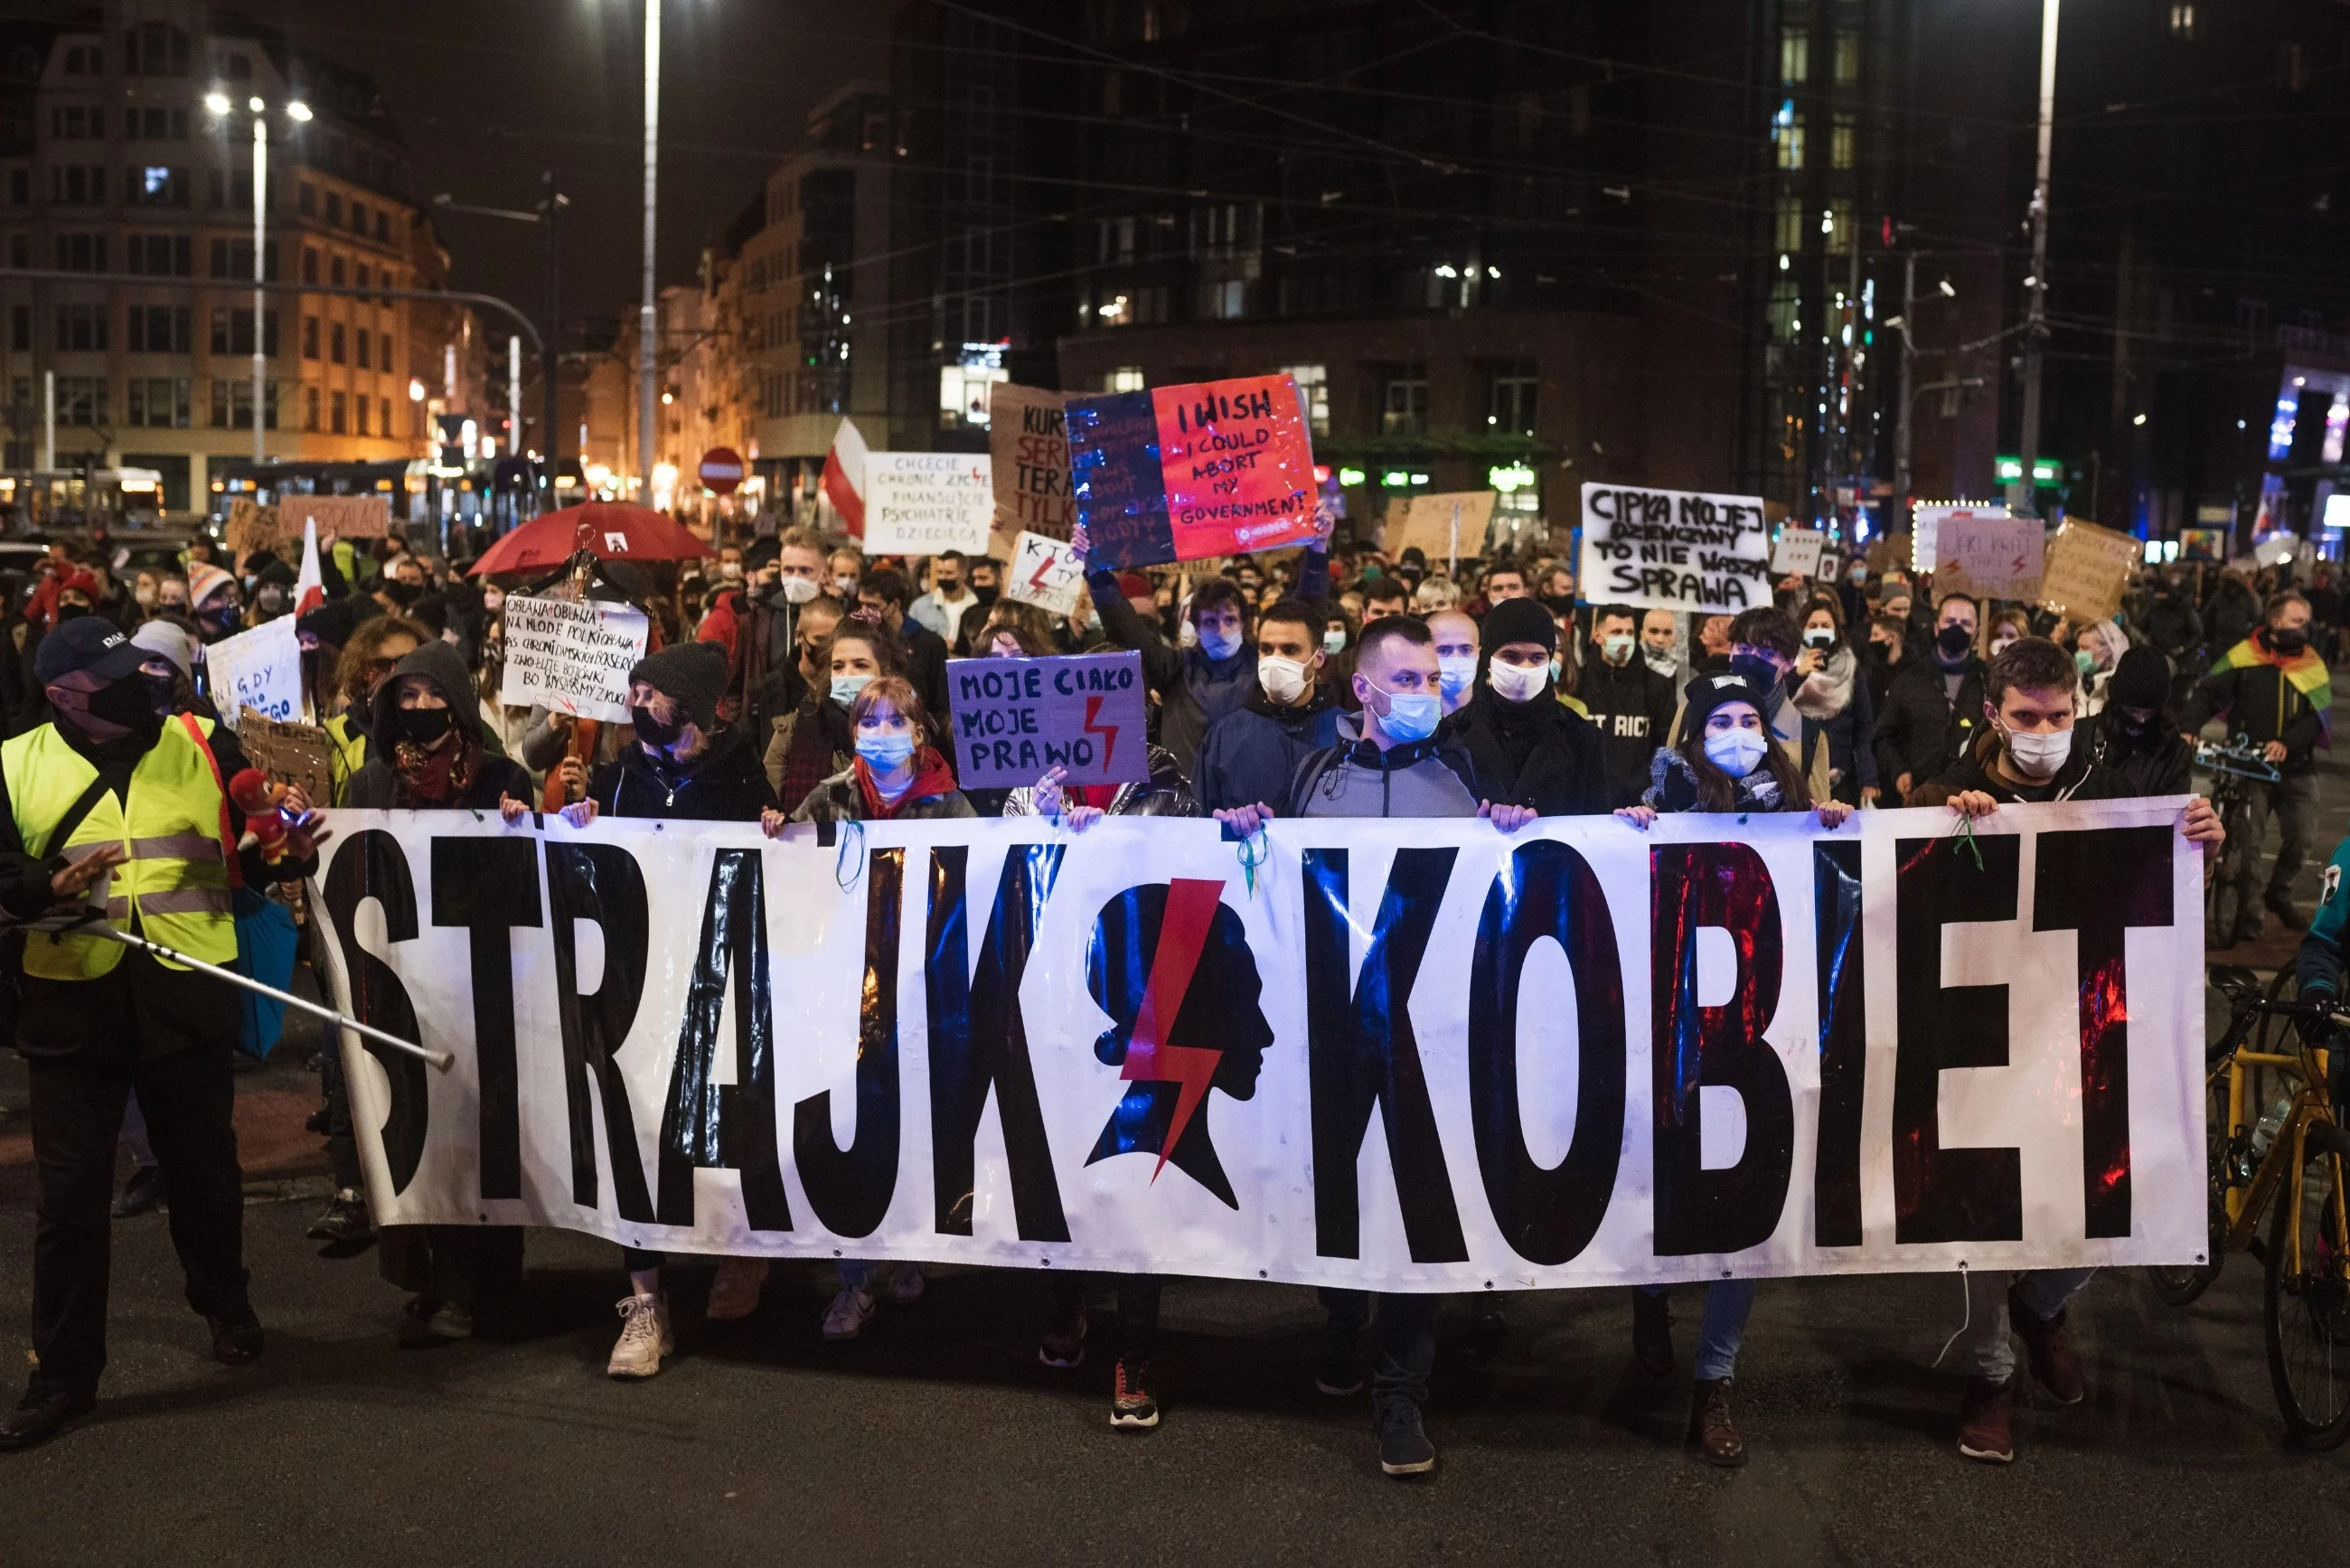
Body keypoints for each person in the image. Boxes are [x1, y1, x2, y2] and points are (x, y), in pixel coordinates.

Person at [1210, 615, 1536, 1479]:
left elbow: (1509, 878)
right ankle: (1339, 1319)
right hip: (1333, 1036)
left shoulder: (1463, 771)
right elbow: (1266, 884)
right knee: (1337, 1188)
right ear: (1363, 688)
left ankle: (1402, 1391)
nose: (1430, 691)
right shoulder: (1314, 773)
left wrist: (1511, 825)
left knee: (1416, 1201)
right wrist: (1244, 826)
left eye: (1433, 676)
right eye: (1412, 678)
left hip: (1429, 1041)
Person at [0, 618, 324, 1451]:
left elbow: (249, 854)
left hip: (185, 992)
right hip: (73, 1008)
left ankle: (225, 1300)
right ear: (64, 695)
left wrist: (284, 851)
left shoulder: (201, 741)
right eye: (111, 675)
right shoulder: (14, 762)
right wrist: (43, 885)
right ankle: (64, 1373)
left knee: (204, 1170)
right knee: (69, 1201)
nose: (137, 681)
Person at [1911, 638, 2220, 1464]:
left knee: (2114, 1189)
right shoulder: (1949, 793)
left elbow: (2160, 890)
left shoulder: (2116, 792)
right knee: (1984, 1210)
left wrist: (2201, 848)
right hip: (1979, 1036)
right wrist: (1943, 827)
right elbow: (1897, 895)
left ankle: (2045, 1305)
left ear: (2078, 711)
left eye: (2058, 715)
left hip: (2082, 1031)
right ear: (1993, 716)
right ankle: (1991, 1374)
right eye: (2026, 717)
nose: (2044, 730)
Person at [1614, 670, 1855, 1467]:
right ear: (1694, 732)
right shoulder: (1666, 795)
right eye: (1723, 718)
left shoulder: (1791, 799)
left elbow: (1836, 896)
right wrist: (1635, 829)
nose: (1741, 729)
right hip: (1678, 1029)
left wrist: (1834, 829)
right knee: (1668, 1178)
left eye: (1752, 716)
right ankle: (1650, 1299)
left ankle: (1714, 1379)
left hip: (1760, 1034)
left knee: (1745, 1208)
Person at [550, 642, 781, 1376]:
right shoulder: (620, 779)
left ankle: (737, 1251)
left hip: (718, 976)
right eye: (635, 691)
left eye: (651, 693)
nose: (637, 703)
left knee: (724, 1119)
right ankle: (647, 1302)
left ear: (694, 704)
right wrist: (579, 813)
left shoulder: (742, 775)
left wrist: (778, 834)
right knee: (632, 1132)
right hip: (634, 980)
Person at [762, 674, 970, 1339]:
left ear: (919, 733)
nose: (879, 735)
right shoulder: (830, 798)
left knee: (911, 1124)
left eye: (893, 721)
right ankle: (853, 1278)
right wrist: (777, 835)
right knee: (847, 1129)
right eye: (867, 722)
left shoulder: (952, 807)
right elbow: (790, 876)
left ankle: (908, 1248)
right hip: (844, 993)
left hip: (920, 994)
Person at [346, 643, 537, 1346]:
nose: (420, 709)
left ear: (459, 702)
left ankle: (485, 1283)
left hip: (480, 982)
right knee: (415, 1133)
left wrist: (524, 823)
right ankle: (432, 1276)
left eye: (434, 695)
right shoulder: (371, 784)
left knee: (476, 1135)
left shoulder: (500, 778)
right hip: (400, 979)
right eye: (408, 695)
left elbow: (527, 879)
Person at [1086, 548, 1329, 776]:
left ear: (1244, 623)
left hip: (1250, 801)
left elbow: (1304, 618)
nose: (1221, 630)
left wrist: (1316, 554)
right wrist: (1098, 577)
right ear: (1197, 627)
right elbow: (1128, 630)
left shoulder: (1264, 671)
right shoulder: (1174, 669)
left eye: (1230, 620)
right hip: (1186, 805)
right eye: (1211, 622)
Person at [2186, 589, 2328, 942]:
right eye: (2297, 621)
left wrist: (2288, 743)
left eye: (2306, 623)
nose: (2303, 629)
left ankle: (2279, 895)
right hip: (2250, 765)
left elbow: (2317, 718)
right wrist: (2188, 729)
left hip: (2297, 767)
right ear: (2276, 620)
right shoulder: (2245, 656)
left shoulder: (2312, 662)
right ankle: (2247, 925)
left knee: (2302, 840)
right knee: (2249, 848)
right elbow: (2208, 693)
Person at [1452, 597, 1609, 816]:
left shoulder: (1582, 738)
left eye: (1537, 657)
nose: (1525, 668)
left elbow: (1594, 827)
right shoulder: (1452, 735)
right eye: (1511, 656)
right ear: (1488, 660)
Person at [1190, 597, 1343, 813]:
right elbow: (1202, 825)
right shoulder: (1224, 738)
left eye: (1290, 650)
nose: (1276, 659)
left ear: (1318, 657)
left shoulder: (1348, 735)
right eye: (1267, 649)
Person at [699, 527, 826, 740]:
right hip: (767, 733)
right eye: (789, 570)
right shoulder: (759, 616)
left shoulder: (839, 618)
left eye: (805, 571)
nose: (795, 578)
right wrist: (738, 734)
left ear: (824, 572)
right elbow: (738, 685)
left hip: (821, 729)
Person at [765, 607, 889, 807]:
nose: (847, 674)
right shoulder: (793, 731)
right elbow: (768, 802)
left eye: (861, 665)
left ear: (884, 671)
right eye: (838, 666)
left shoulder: (906, 732)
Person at [1874, 593, 1984, 806]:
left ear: (1977, 633)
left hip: (1970, 803)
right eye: (1950, 621)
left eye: (1966, 623)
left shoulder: (1987, 681)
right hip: (1915, 799)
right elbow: (1883, 736)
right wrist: (1898, 771)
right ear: (1936, 627)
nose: (1957, 628)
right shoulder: (1909, 677)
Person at [1580, 604, 1679, 808]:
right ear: (1598, 636)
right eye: (1616, 632)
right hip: (1586, 802)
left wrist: (1644, 791)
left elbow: (1666, 746)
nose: (1624, 639)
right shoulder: (1578, 684)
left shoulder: (1657, 686)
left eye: (1629, 632)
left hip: (1639, 805)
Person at [1790, 596, 1879, 806]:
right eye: (1813, 625)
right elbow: (1772, 704)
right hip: (1795, 771)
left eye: (1825, 625)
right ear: (1802, 629)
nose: (1819, 629)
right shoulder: (1788, 663)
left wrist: (1868, 778)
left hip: (1839, 773)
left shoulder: (1850, 668)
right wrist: (1797, 674)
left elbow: (1863, 727)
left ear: (1835, 630)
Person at [2086, 646, 2193, 795]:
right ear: (2117, 705)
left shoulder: (2173, 751)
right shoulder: (2084, 736)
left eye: (2150, 712)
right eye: (2132, 711)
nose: (2141, 719)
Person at [857, 567, 951, 726]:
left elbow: (941, 705)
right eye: (861, 604)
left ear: (895, 604)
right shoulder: (858, 639)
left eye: (873, 606)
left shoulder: (930, 644)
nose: (864, 612)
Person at [908, 549, 982, 649]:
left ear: (964, 574)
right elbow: (908, 642)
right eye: (940, 572)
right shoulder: (920, 607)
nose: (943, 577)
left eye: (949, 573)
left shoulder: (976, 606)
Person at [1427, 607, 1480, 719]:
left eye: (1466, 650)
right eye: (1444, 651)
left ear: (1479, 653)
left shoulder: (1494, 716)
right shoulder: (1414, 717)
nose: (1456, 658)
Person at [2072, 618, 2129, 716]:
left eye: (2085, 648)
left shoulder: (2120, 689)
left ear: (2108, 650)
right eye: (2078, 647)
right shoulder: (2071, 682)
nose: (2078, 653)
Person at [1638, 606, 1680, 680]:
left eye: (1667, 633)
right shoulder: (1630, 667)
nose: (1660, 639)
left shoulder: (1688, 673)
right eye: (1654, 631)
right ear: (1642, 634)